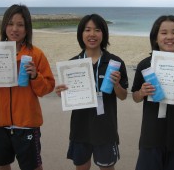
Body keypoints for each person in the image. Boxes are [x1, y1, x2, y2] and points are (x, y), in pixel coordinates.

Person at [0, 4, 55, 170]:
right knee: (2, 165)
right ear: (4, 26)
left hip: (27, 124)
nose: (14, 29)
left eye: (20, 24)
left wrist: (35, 76)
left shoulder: (36, 54)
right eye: (10, 24)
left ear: (27, 28)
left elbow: (46, 89)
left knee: (33, 167)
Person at [54, 14, 128, 170]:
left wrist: (116, 85)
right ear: (81, 34)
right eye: (87, 30)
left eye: (97, 30)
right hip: (80, 128)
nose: (92, 34)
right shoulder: (73, 64)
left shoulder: (115, 62)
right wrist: (61, 92)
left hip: (106, 128)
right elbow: (67, 95)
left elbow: (123, 96)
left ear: (104, 34)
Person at [131, 15, 174, 170]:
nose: (169, 37)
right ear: (156, 38)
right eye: (164, 33)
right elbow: (135, 97)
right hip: (151, 136)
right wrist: (142, 92)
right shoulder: (144, 64)